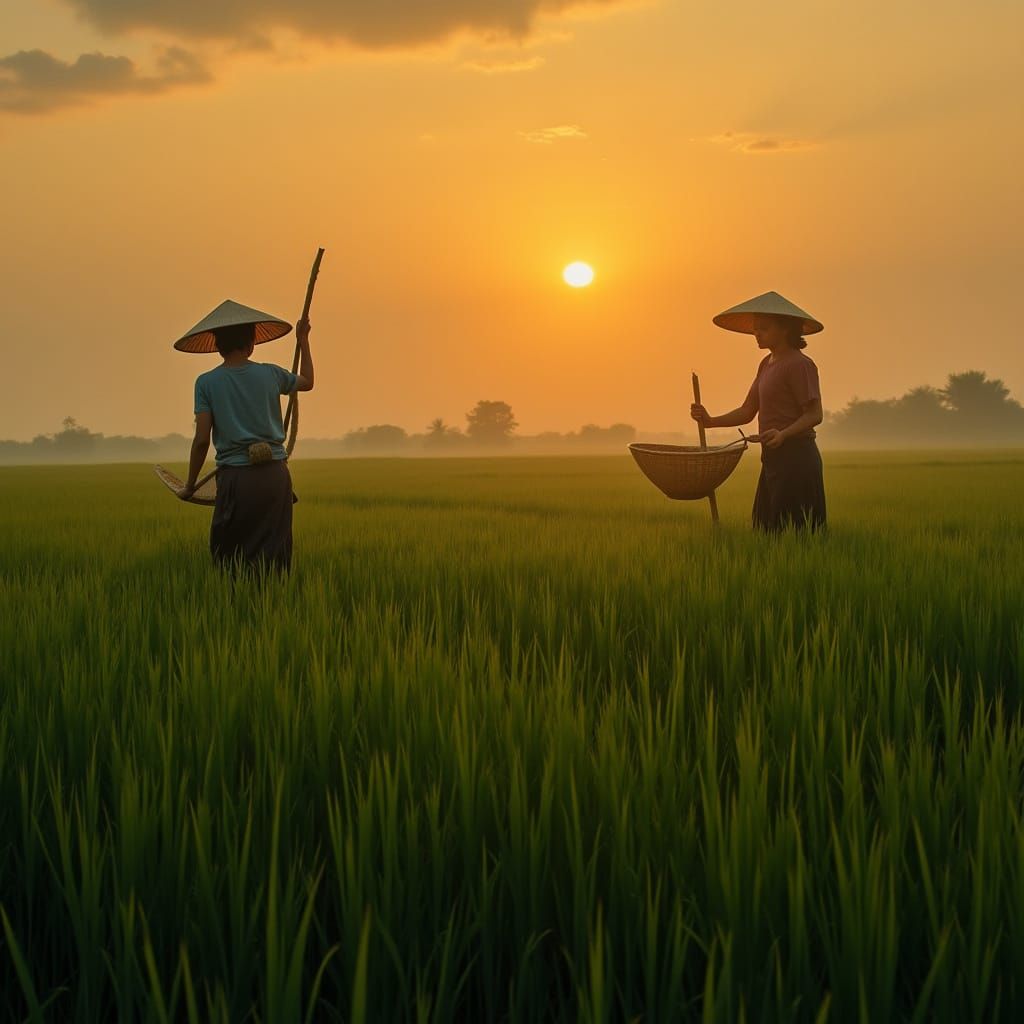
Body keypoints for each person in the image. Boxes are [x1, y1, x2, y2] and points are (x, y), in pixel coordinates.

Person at [175, 300, 314, 571]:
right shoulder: (270, 373)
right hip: (275, 476)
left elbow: (202, 439)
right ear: (251, 342)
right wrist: (304, 340)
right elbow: (307, 381)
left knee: (229, 553)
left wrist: (190, 485)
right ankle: (271, 605)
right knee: (274, 554)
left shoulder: (206, 382)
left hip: (236, 479)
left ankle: (235, 606)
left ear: (217, 345)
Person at [691, 291, 825, 532]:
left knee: (796, 532)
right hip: (773, 457)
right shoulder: (766, 363)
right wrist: (710, 421)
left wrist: (783, 434)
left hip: (797, 458)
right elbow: (747, 410)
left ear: (784, 329)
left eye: (763, 328)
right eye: (755, 329)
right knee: (766, 528)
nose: (756, 334)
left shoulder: (799, 364)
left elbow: (815, 415)